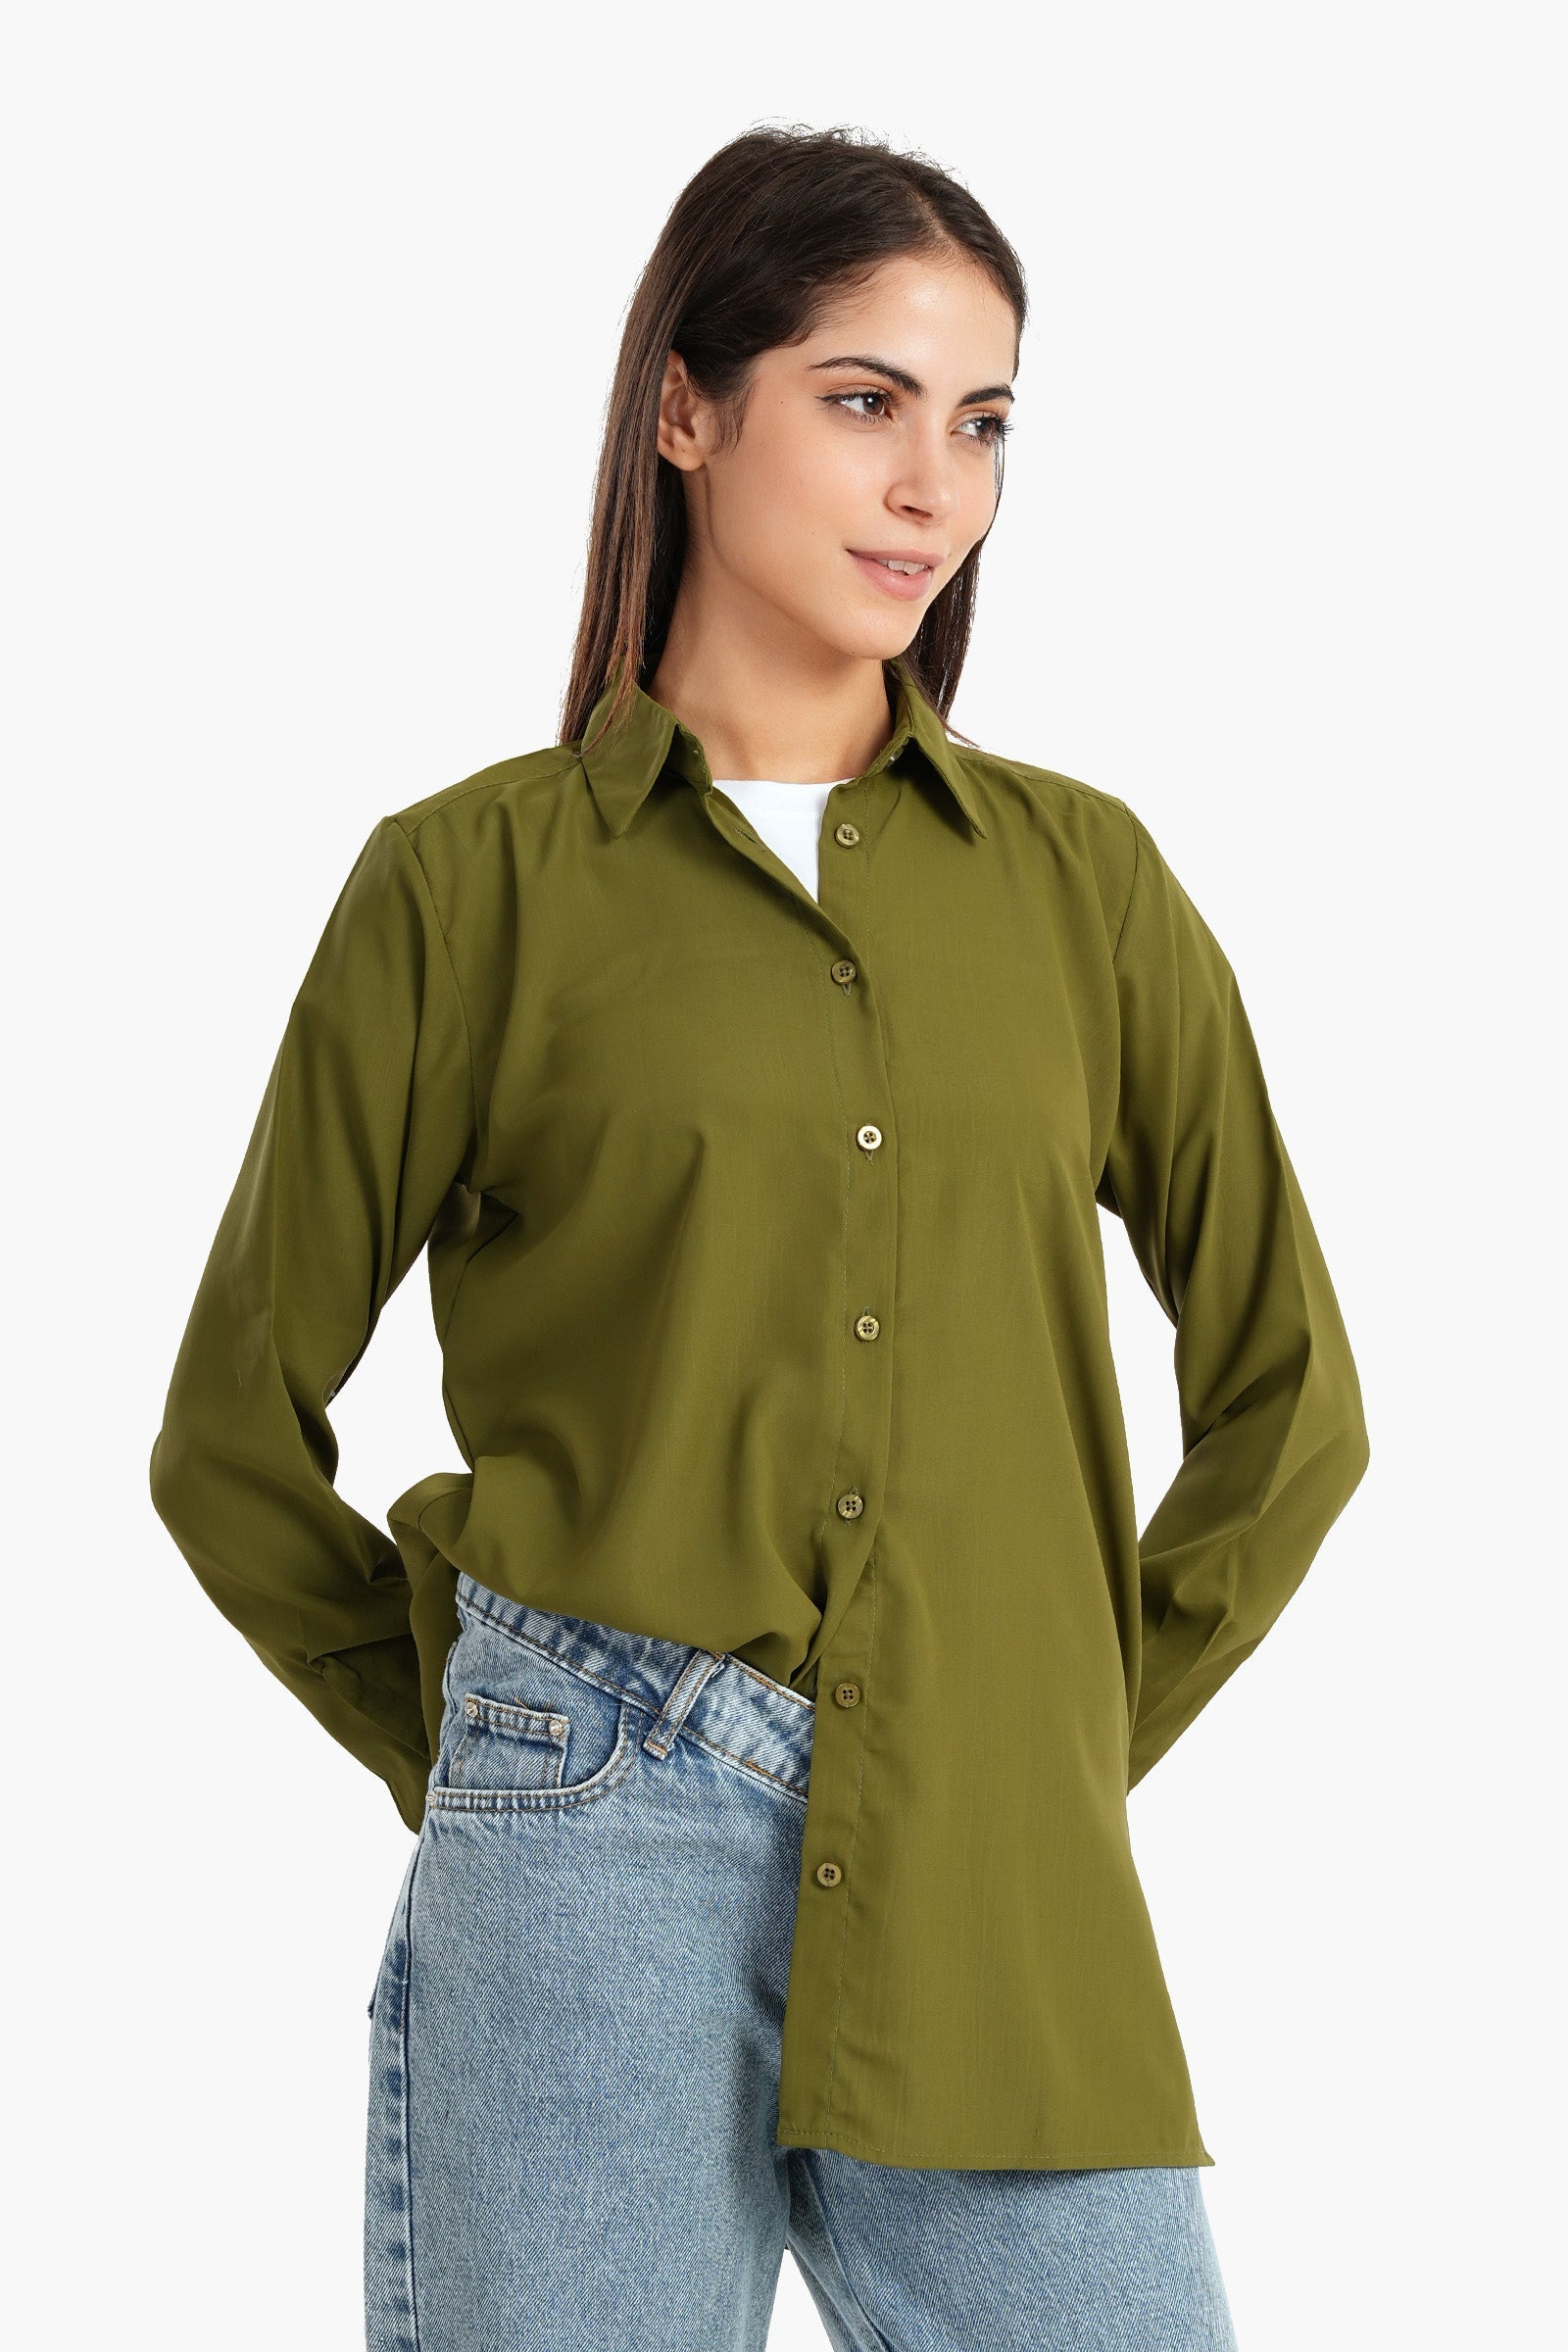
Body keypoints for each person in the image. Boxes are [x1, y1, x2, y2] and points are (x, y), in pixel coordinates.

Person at [149, 122, 1369, 2351]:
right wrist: (491, 1743)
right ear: (686, 411)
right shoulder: (468, 888)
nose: (932, 485)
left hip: (991, 1869)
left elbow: (1295, 1405)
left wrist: (1056, 1730)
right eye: (864, 400)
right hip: (583, 1843)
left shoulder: (1082, 887)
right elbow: (226, 1440)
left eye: (981, 423)